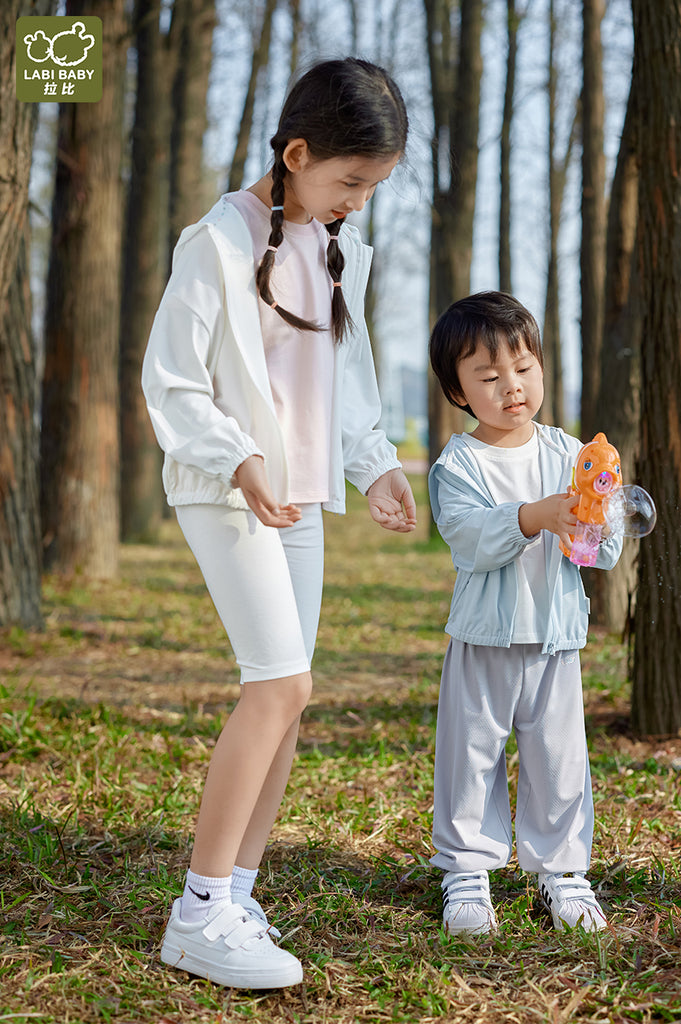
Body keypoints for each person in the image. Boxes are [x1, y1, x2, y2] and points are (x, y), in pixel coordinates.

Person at [142, 57, 416, 989]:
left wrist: (375, 465)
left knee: (292, 697)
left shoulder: (337, 249)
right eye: (350, 182)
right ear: (296, 154)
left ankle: (238, 892)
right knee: (277, 683)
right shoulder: (214, 243)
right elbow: (170, 383)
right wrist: (242, 460)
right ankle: (198, 911)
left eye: (374, 188)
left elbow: (341, 383)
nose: (360, 202)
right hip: (227, 491)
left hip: (297, 500)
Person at [427, 291, 621, 937]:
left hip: (554, 639)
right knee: (472, 754)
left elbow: (604, 546)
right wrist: (535, 517)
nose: (511, 386)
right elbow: (467, 539)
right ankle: (467, 873)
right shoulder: (460, 463)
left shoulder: (572, 452)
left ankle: (562, 874)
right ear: (459, 392)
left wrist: (599, 512)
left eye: (524, 367)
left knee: (560, 757)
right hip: (484, 638)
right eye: (487, 376)